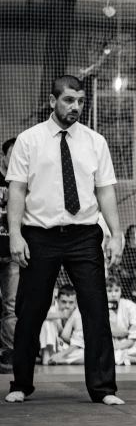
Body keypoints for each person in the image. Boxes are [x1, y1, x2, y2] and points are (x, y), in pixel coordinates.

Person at [5, 75, 124, 405]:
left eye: (81, 101)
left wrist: (117, 234)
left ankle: (103, 388)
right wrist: (15, 235)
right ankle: (21, 383)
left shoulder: (95, 142)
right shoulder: (29, 141)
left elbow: (105, 190)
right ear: (52, 100)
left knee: (96, 310)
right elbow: (16, 189)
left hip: (84, 235)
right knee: (30, 311)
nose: (76, 107)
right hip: (39, 235)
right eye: (69, 100)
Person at [0, 137, 19, 374]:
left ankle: (9, 353)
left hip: (13, 252)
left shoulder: (22, 182)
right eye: (11, 153)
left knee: (12, 306)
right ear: (3, 156)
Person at [39, 286, 77, 365]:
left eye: (71, 302)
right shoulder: (53, 309)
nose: (67, 306)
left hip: (69, 348)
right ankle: (47, 357)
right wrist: (59, 315)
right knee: (47, 322)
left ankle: (55, 359)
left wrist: (60, 355)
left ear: (76, 303)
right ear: (57, 301)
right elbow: (36, 315)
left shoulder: (79, 314)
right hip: (53, 346)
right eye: (63, 302)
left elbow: (78, 343)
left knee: (86, 353)